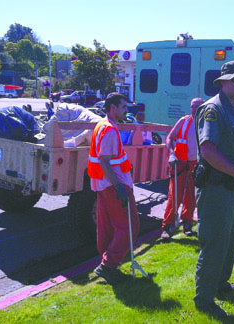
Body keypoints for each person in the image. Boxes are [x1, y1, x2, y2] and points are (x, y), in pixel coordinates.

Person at [193, 61, 234, 317]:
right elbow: (208, 150)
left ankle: (220, 284)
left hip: (233, 190)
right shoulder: (212, 109)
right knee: (215, 244)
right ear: (223, 81)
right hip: (216, 190)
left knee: (231, 241)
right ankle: (204, 300)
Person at [88, 92, 140, 285]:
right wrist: (119, 186)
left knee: (107, 226)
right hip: (112, 185)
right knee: (129, 226)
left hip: (103, 184)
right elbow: (104, 160)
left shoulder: (102, 125)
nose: (126, 110)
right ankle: (107, 266)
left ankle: (108, 263)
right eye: (124, 107)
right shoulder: (109, 129)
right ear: (113, 108)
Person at [160, 97, 205, 242]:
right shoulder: (184, 121)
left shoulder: (206, 124)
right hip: (179, 163)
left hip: (195, 164)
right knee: (175, 195)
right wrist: (171, 154)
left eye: (197, 106)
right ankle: (167, 227)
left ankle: (187, 224)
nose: (194, 109)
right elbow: (170, 138)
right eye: (192, 106)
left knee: (192, 196)